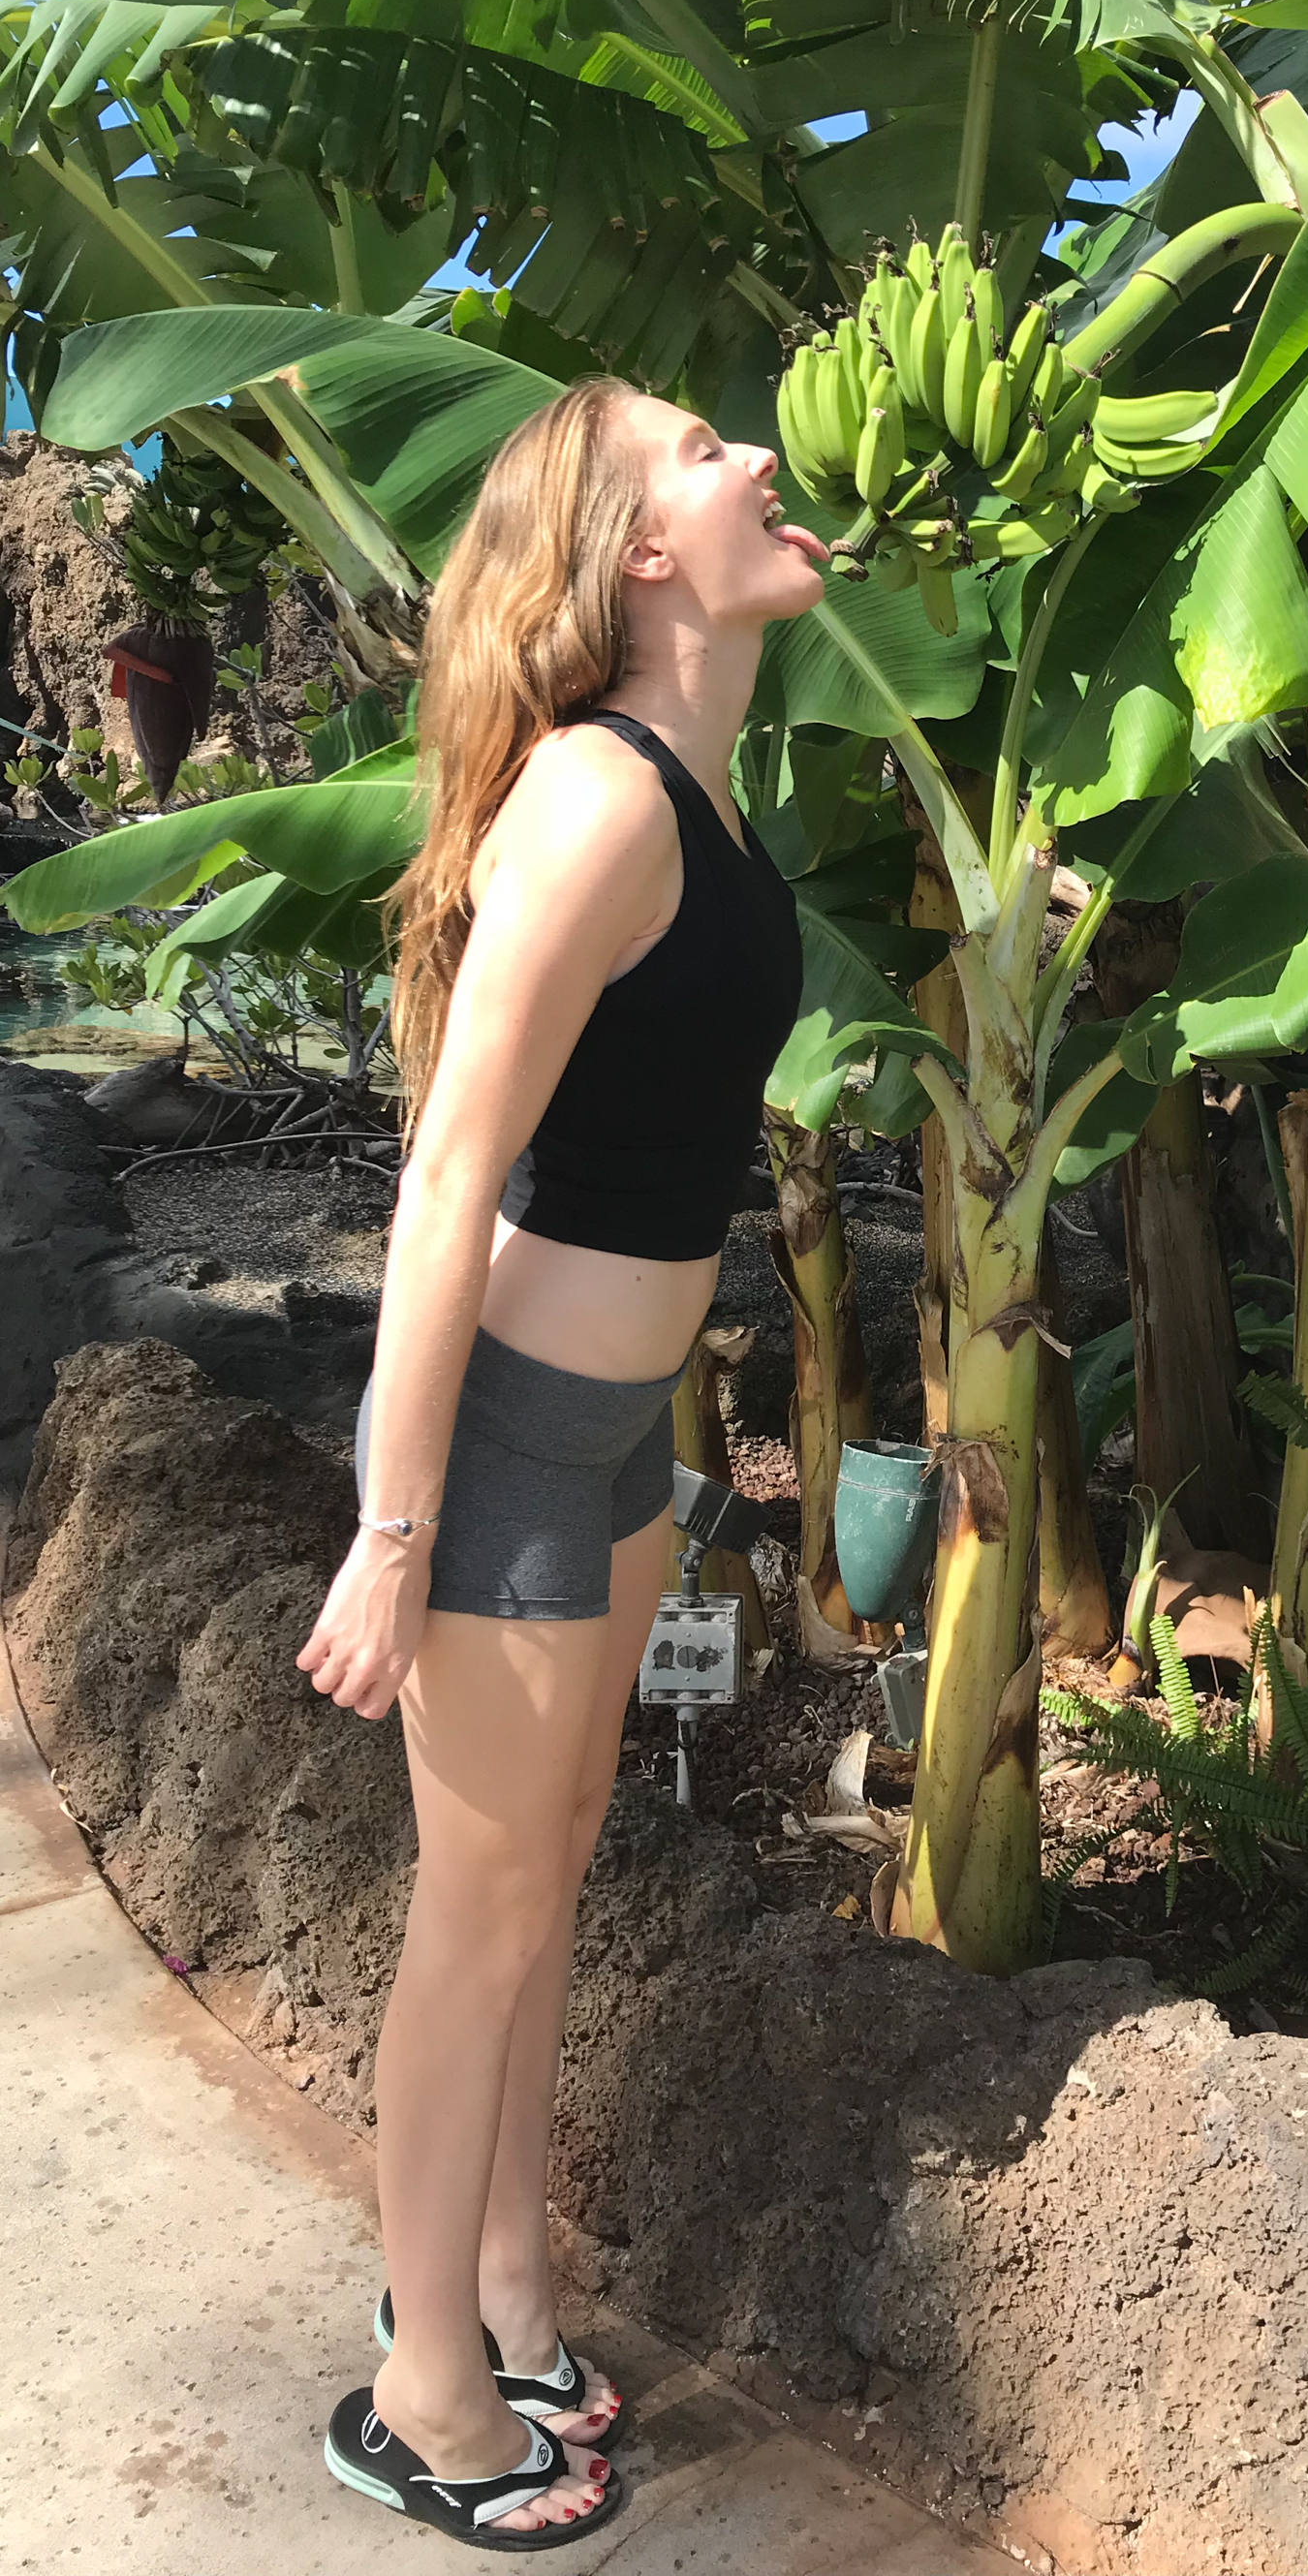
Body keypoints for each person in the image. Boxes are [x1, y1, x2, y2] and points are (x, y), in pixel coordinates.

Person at [295, 378, 824, 2548]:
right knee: (480, 1916)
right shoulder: (602, 801)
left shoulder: (702, 789)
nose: (758, 460)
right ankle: (421, 2388)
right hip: (513, 1443)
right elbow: (445, 1180)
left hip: (605, 1433)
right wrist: (390, 1526)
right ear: (636, 550)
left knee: (557, 1858)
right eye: (704, 454)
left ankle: (505, 2287)